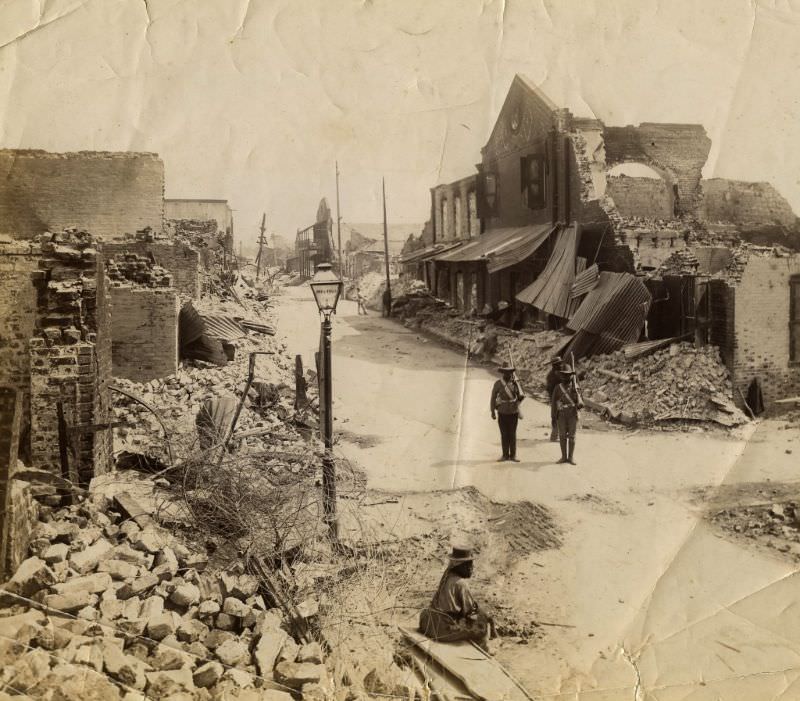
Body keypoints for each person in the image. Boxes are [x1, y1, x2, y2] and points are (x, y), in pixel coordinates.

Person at [418, 546, 497, 651]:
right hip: (442, 631)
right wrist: (488, 619)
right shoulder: (461, 584)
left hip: (429, 625)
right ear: (460, 566)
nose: (471, 568)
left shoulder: (447, 576)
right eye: (468, 565)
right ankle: (484, 649)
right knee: (481, 624)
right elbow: (470, 613)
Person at [490, 364, 524, 462]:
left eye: (509, 372)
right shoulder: (498, 384)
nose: (507, 374)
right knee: (504, 434)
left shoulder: (515, 383)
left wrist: (518, 386)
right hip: (502, 412)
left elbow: (521, 396)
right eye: (505, 372)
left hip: (513, 412)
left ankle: (513, 455)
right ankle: (505, 455)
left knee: (512, 434)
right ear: (502, 372)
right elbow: (493, 398)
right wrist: (492, 411)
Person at [552, 362, 584, 465]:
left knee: (572, 436)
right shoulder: (557, 387)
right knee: (562, 436)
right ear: (561, 376)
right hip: (561, 414)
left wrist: (577, 395)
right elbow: (553, 403)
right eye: (564, 375)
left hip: (572, 414)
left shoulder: (576, 387)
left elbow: (581, 403)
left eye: (568, 375)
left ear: (571, 376)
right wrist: (553, 417)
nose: (566, 377)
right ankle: (563, 457)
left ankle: (570, 458)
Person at [545, 356, 562, 442]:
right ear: (554, 365)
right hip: (556, 399)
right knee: (555, 416)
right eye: (558, 364)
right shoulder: (553, 375)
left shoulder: (554, 374)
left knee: (558, 416)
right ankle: (554, 436)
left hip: (557, 399)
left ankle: (557, 435)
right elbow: (549, 388)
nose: (560, 365)